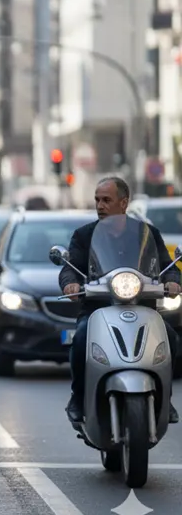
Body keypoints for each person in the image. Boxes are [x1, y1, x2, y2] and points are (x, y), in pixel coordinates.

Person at [59, 176, 181, 423]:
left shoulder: (146, 234)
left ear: (124, 203)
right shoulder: (84, 235)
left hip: (142, 307)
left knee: (170, 338)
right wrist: (70, 283)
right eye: (97, 200)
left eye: (107, 200)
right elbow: (70, 267)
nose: (100, 205)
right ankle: (78, 396)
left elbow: (167, 266)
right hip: (97, 309)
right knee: (80, 339)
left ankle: (164, 398)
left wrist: (173, 281)